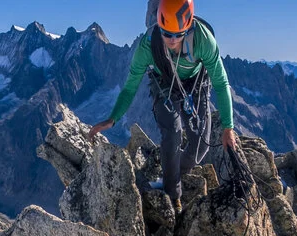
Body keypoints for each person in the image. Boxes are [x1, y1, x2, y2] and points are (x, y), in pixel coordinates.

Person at [89, 0, 237, 212]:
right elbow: (130, 87)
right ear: (159, 26)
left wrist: (228, 127)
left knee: (201, 145)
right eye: (167, 34)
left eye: (179, 34)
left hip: (196, 85)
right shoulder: (148, 45)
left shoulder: (204, 39)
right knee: (172, 134)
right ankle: (171, 193)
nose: (172, 40)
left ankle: (173, 173)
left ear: (189, 26)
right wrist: (112, 118)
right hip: (164, 84)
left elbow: (222, 84)